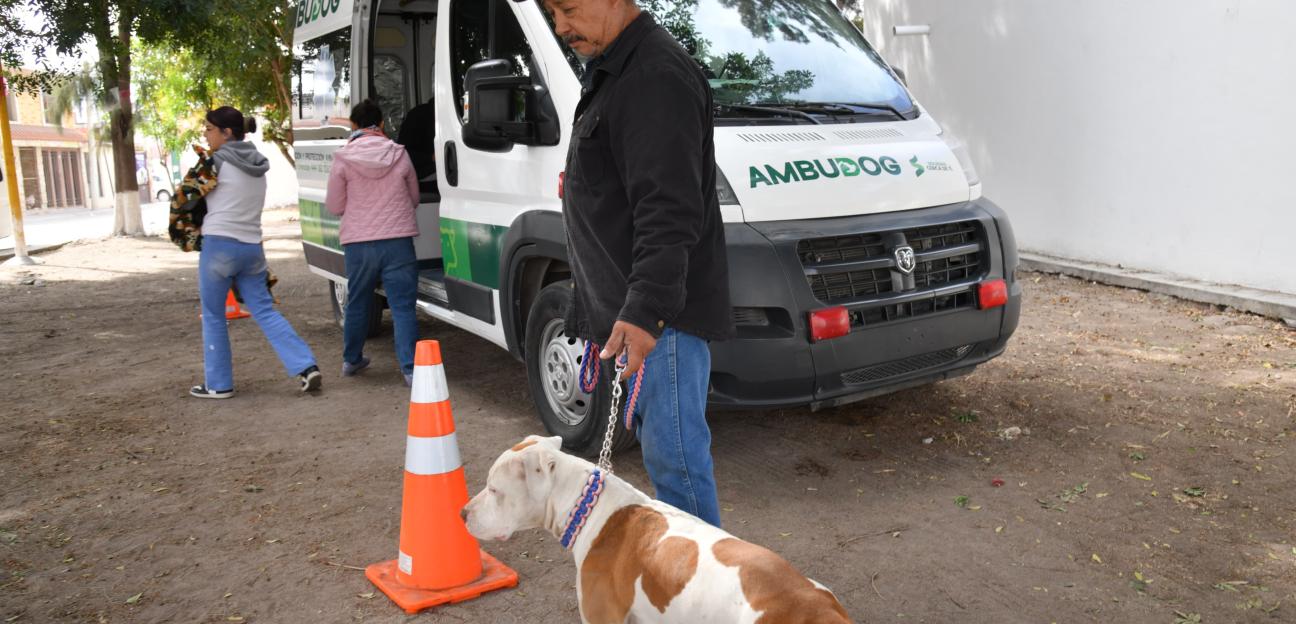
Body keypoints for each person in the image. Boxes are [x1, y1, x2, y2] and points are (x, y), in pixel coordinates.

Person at [543, 0, 734, 527]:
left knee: (676, 465)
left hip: (663, 320)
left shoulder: (653, 75)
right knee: (667, 457)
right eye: (551, 12)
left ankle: (699, 579)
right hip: (644, 312)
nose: (561, 26)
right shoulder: (617, 67)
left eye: (568, 8)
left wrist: (646, 308)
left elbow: (668, 210)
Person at [191, 106, 321, 398]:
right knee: (264, 311)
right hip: (252, 248)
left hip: (218, 246)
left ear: (227, 132)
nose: (206, 135)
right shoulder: (257, 164)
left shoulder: (213, 163)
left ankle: (218, 385)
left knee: (213, 315)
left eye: (209, 129)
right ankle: (306, 366)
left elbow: (187, 199)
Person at [325, 99, 421, 386]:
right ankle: (410, 369)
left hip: (359, 243)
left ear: (353, 126)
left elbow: (334, 205)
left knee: (357, 302)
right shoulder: (399, 154)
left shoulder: (343, 158)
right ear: (380, 124)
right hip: (398, 241)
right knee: (403, 306)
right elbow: (414, 198)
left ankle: (352, 359)